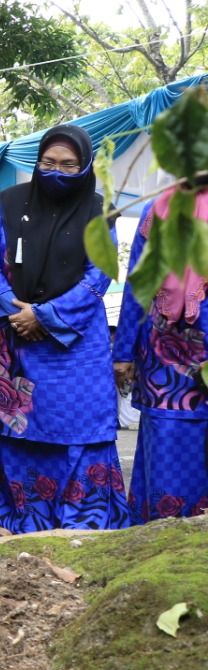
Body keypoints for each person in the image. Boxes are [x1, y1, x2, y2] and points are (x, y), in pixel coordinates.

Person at [0, 124, 130, 532]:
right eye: (48, 163)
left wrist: (43, 316)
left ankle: (86, 523)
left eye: (68, 164)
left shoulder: (100, 212)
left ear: (85, 166)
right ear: (36, 163)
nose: (56, 171)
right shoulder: (8, 204)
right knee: (19, 434)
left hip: (76, 350)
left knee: (81, 431)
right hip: (15, 345)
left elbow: (99, 275)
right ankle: (20, 522)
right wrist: (15, 311)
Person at [113, 189, 208, 523]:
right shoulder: (160, 208)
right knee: (169, 443)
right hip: (166, 356)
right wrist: (123, 350)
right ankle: (164, 534)